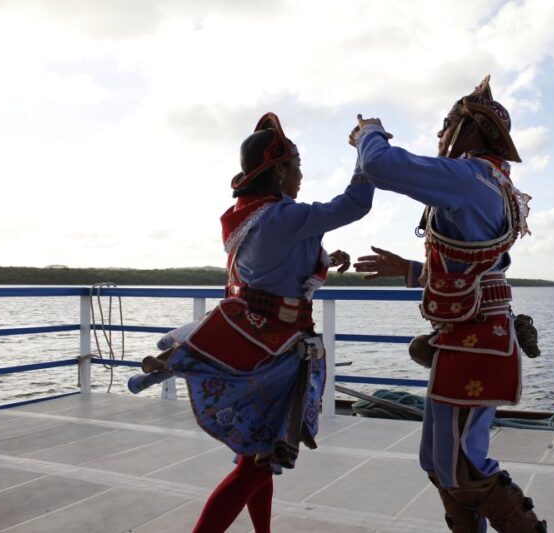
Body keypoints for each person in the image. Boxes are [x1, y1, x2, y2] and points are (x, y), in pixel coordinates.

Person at [129, 112, 373, 533]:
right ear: (278, 171)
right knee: (257, 466)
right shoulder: (283, 216)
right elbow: (356, 203)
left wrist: (324, 258)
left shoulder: (249, 217)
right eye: (296, 165)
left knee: (257, 455)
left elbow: (271, 272)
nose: (301, 175)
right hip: (278, 353)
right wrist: (368, 145)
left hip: (254, 343)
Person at [349, 76, 547, 533]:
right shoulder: (494, 182)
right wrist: (410, 271)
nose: (440, 134)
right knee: (440, 462)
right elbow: (476, 269)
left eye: (445, 124)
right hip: (467, 340)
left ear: (470, 129)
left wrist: (369, 132)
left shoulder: (469, 178)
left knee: (462, 466)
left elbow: (379, 165)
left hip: (475, 344)